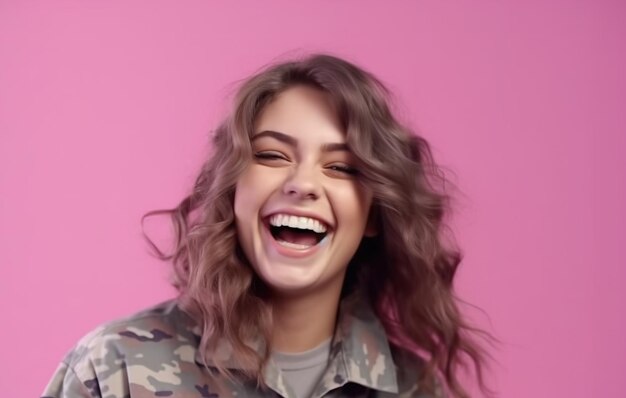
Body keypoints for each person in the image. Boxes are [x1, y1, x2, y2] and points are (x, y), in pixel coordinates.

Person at [42, 54, 490, 398]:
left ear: (373, 214)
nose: (303, 184)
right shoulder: (114, 369)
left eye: (340, 167)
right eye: (273, 156)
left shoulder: (417, 389)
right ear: (233, 187)